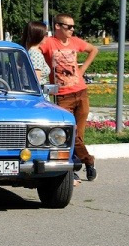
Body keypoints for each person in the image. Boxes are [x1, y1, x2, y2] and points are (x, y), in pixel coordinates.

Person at [39, 13, 98, 181]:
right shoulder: (49, 43)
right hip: (63, 95)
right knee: (70, 134)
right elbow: (34, 50)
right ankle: (88, 162)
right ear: (57, 26)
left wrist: (82, 70)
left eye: (73, 27)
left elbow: (94, 50)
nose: (72, 30)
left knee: (78, 134)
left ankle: (75, 163)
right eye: (68, 27)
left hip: (81, 92)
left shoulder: (76, 42)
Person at [21, 21, 51, 87]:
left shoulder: (24, 51)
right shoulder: (36, 55)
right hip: (38, 94)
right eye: (45, 33)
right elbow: (35, 82)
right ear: (38, 35)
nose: (47, 36)